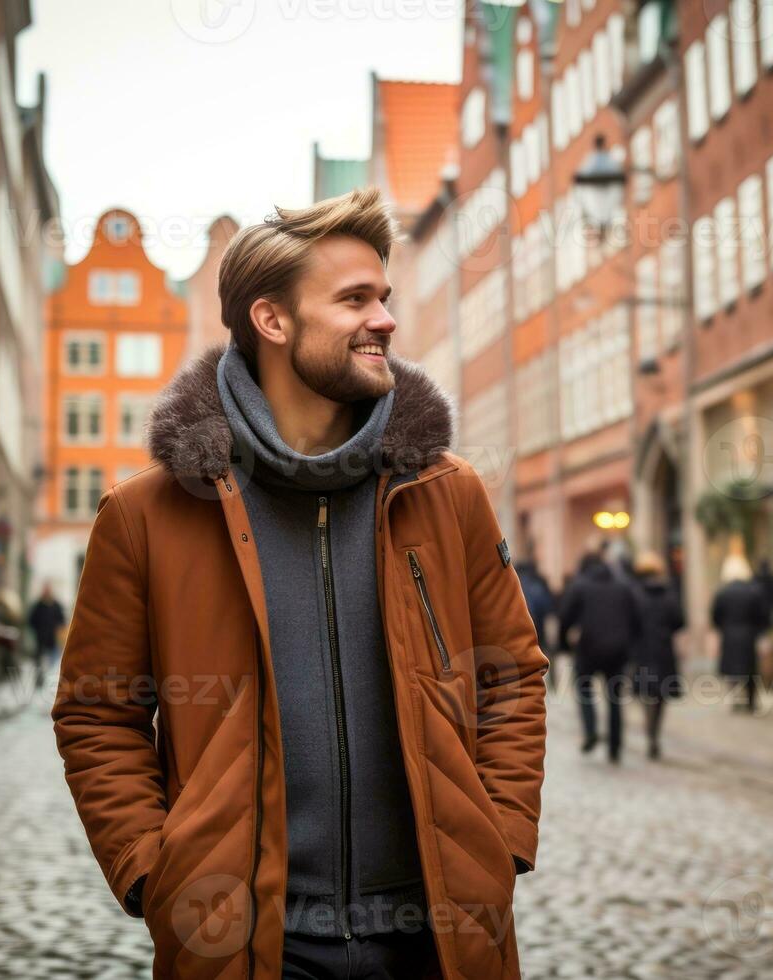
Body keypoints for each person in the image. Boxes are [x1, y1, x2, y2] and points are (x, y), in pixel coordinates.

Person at [52, 188, 548, 980]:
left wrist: (500, 841)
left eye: (382, 297)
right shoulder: (145, 515)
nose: (384, 318)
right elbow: (98, 714)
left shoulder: (445, 492)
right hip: (248, 948)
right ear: (272, 321)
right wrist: (155, 871)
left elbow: (513, 677)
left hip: (438, 942)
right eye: (354, 299)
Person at [559, 546, 641, 764]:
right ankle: (615, 746)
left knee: (584, 690)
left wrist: (563, 645)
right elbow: (636, 618)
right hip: (618, 650)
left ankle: (591, 730)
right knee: (615, 698)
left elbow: (564, 618)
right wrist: (631, 646)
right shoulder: (623, 587)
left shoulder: (579, 587)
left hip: (588, 648)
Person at [630, 551, 686, 759]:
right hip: (663, 650)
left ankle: (649, 730)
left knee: (646, 693)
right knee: (661, 695)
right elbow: (679, 621)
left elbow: (630, 622)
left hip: (642, 650)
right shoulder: (668, 594)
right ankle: (655, 731)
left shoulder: (634, 593)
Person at [711, 554, 770, 715]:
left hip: (729, 634)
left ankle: (736, 699)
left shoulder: (723, 593)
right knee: (750, 669)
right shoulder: (754, 591)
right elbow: (762, 616)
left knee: (732, 670)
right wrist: (761, 634)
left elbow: (716, 616)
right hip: (748, 635)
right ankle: (751, 702)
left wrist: (722, 628)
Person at [514, 555, 557, 688]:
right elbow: (548, 608)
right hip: (538, 628)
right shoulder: (537, 585)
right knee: (546, 654)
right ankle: (551, 682)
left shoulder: (514, 585)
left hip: (518, 630)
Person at [27, 583, 67, 691]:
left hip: (52, 640)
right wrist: (37, 630)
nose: (47, 593)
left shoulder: (56, 605)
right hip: (40, 640)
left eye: (48, 590)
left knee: (52, 664)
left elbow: (62, 621)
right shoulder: (38, 605)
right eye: (45, 590)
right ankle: (39, 682)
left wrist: (59, 632)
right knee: (39, 663)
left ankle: (51, 684)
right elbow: (31, 620)